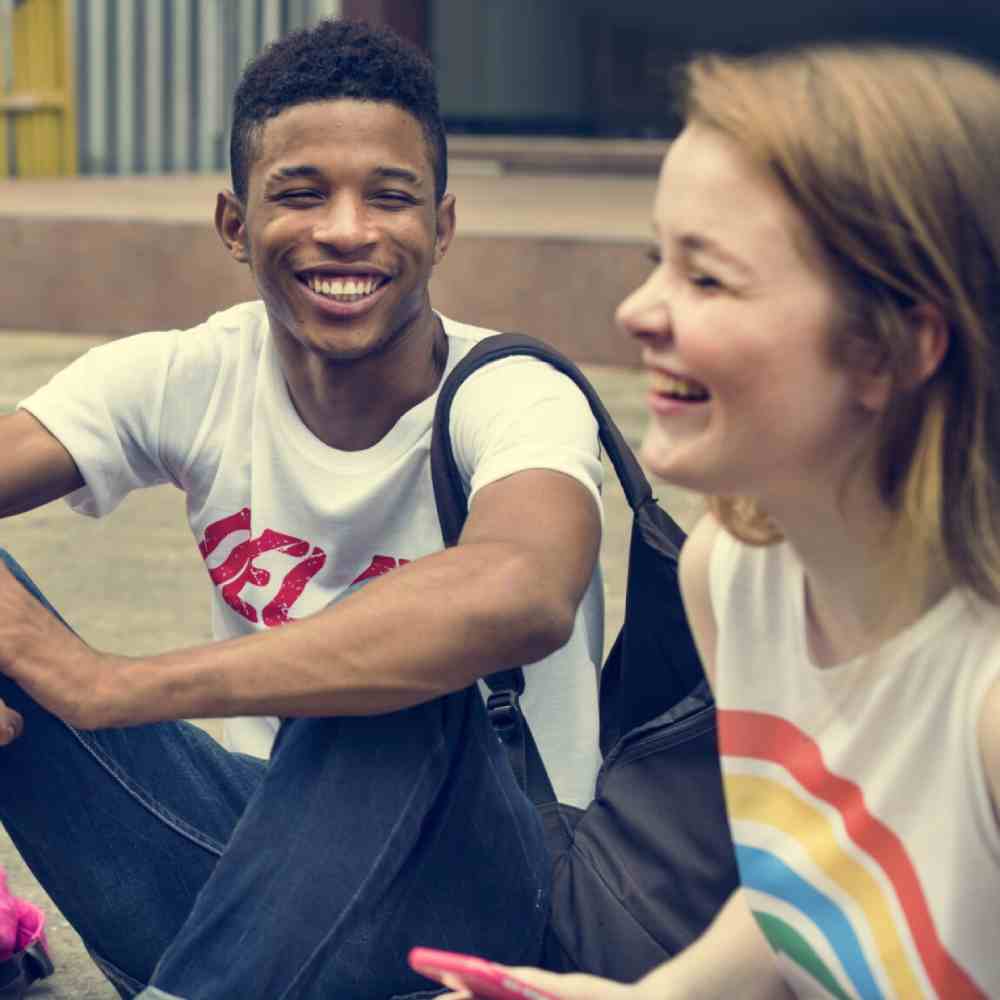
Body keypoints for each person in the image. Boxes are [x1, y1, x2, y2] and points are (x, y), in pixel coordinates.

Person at [0, 18, 606, 1000]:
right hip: (243, 889)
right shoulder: (189, 374)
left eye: (390, 196)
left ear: (440, 227)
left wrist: (107, 683)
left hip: (493, 915)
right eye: (300, 192)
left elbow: (524, 589)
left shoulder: (512, 392)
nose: (346, 229)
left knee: (410, 654)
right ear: (234, 226)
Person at [431, 42, 1000, 1000]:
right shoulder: (736, 579)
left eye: (708, 279)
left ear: (892, 348)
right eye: (660, 262)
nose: (636, 312)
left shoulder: (984, 702)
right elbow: (807, 896)